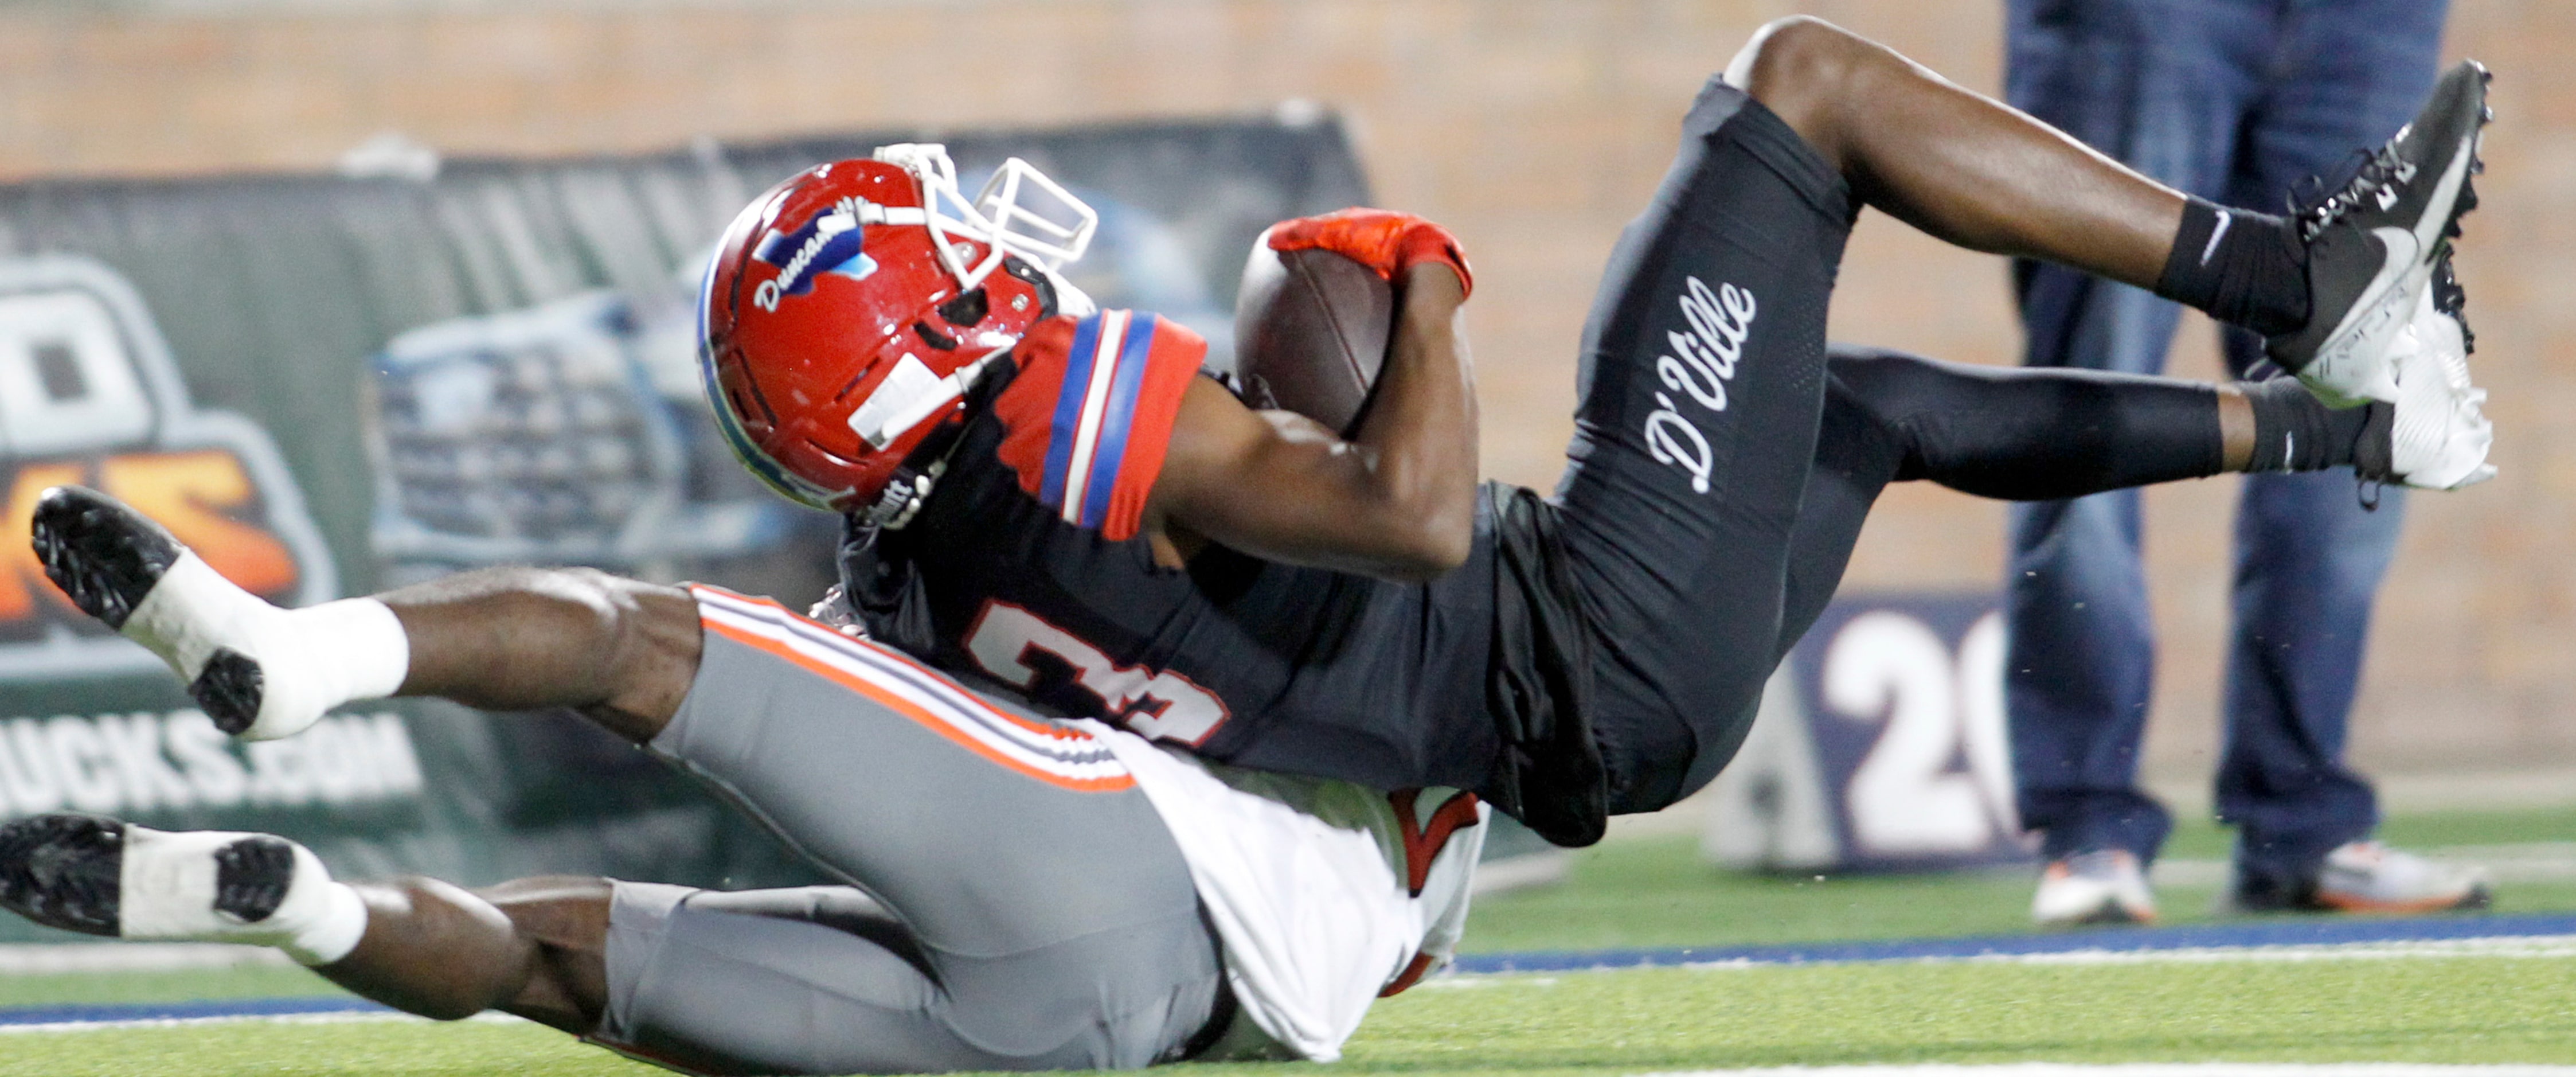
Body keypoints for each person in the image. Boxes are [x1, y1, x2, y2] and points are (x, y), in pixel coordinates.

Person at [689, 16, 2494, 850]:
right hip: (1585, 618)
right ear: (900, 339)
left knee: (1862, 411)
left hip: (1574, 733)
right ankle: (2298, 275)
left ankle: (2340, 426)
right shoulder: (1063, 411)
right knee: (1802, 88)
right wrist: (1422, 290)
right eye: (943, 258)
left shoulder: (918, 580)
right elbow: (1405, 517)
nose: (984, 257)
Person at [2, 485, 1483, 1074]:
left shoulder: (1394, 656)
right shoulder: (1416, 849)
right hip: (1084, 1039)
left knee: (649, 642)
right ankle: (302, 905)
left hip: (1116, 850)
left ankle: (291, 655)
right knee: (558, 967)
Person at [2001, 0, 2493, 926]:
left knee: (2362, 373)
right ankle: (2086, 826)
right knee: (2088, 377)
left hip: (2367, 21)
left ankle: (2301, 824)